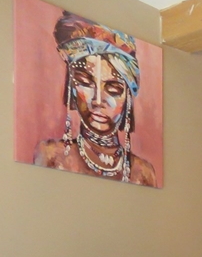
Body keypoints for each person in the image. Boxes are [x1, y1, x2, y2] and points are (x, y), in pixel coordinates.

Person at [34, 11, 156, 186]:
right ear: (72, 86)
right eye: (85, 82)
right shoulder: (50, 155)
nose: (98, 100)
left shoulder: (144, 173)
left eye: (113, 89)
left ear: (128, 97)